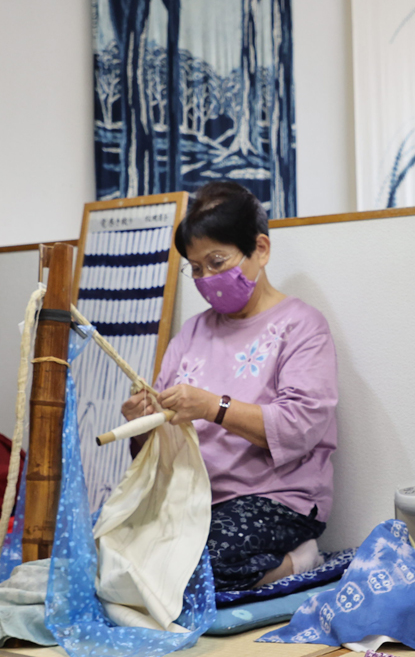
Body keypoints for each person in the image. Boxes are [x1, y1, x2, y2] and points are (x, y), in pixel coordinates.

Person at [121, 181, 338, 592]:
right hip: (195, 497)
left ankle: (299, 560)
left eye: (217, 262)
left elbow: (300, 428)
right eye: (197, 269)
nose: (207, 278)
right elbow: (159, 445)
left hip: (276, 498)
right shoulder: (192, 332)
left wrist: (211, 406)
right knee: (115, 552)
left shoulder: (302, 326)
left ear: (261, 249)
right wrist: (143, 424)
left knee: (192, 569)